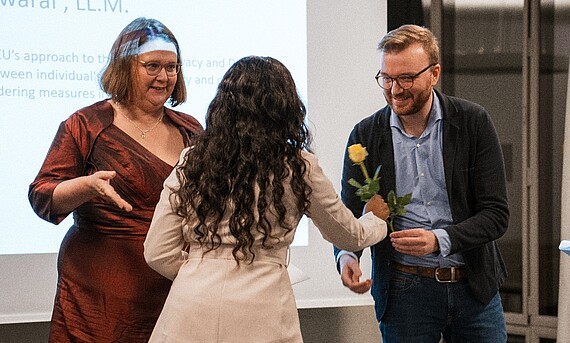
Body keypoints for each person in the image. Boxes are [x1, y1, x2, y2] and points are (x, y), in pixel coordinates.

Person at [143, 55, 390, 343]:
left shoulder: (192, 160)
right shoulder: (298, 167)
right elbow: (350, 236)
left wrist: (200, 270)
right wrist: (375, 219)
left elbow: (157, 252)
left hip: (190, 309)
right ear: (285, 109)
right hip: (262, 312)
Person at [28, 17, 203, 342]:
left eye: (172, 67)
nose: (163, 77)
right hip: (99, 299)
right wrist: (84, 187)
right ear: (125, 67)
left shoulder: (190, 129)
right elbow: (42, 196)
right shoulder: (86, 125)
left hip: (173, 290)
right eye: (152, 66)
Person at [334, 24, 510, 342]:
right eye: (386, 78)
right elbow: (347, 214)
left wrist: (438, 240)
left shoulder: (473, 123)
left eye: (406, 79)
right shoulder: (366, 135)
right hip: (404, 291)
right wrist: (347, 256)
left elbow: (496, 216)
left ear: (434, 73)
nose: (395, 89)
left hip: (474, 289)